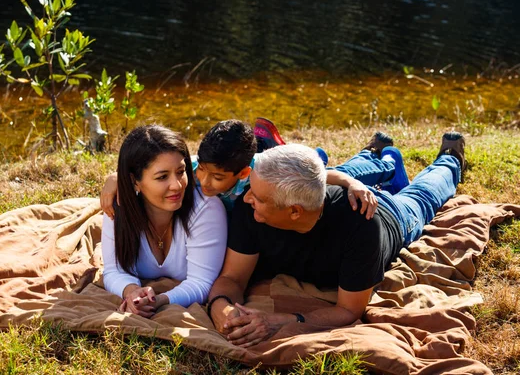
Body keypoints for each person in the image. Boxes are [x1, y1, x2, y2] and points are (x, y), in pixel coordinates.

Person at [207, 132, 466, 348]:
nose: (248, 198)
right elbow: (232, 278)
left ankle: (450, 159)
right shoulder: (251, 207)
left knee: (425, 193)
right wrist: (222, 310)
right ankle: (375, 152)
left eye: (258, 197)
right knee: (344, 172)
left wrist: (281, 320)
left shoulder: (361, 227)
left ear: (294, 211)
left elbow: (348, 310)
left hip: (392, 214)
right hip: (331, 189)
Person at [101, 119, 392, 219]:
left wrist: (352, 184)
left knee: (332, 170)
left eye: (216, 178)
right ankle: (372, 153)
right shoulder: (191, 172)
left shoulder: (257, 179)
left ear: (241, 175)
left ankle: (382, 160)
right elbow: (152, 169)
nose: (203, 182)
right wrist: (115, 178)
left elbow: (323, 177)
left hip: (290, 168)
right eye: (201, 170)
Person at [101, 125, 227, 317]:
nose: (176, 185)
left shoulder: (206, 208)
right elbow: (113, 270)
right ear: (135, 181)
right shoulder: (118, 208)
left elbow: (202, 283)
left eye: (180, 172)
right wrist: (131, 292)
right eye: (162, 177)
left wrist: (158, 301)